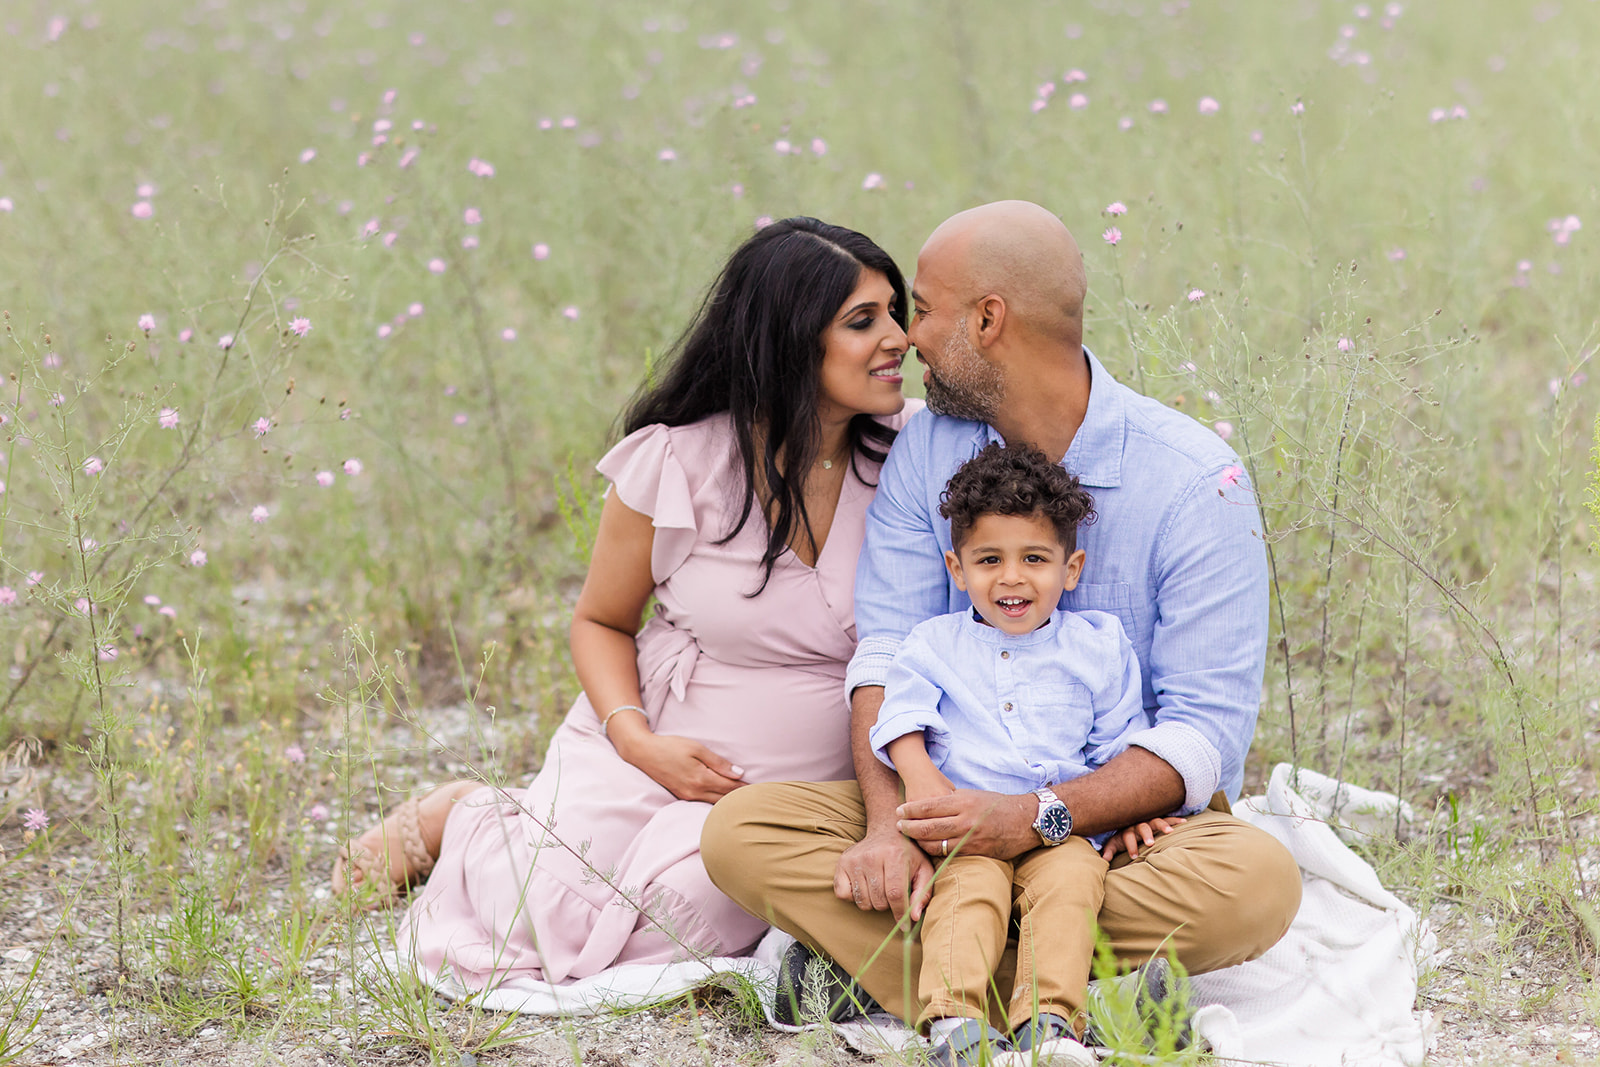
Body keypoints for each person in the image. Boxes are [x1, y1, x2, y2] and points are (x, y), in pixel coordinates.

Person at [701, 201, 1303, 1046]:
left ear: (988, 321)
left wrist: (1041, 816)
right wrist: (888, 827)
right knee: (742, 832)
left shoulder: (1197, 483)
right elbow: (888, 652)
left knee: (1257, 880)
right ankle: (1077, 1007)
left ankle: (904, 979)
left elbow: (1202, 734)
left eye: (926, 310)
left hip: (1103, 833)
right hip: (940, 808)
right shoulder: (931, 447)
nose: (910, 338)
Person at [333, 216, 919, 988]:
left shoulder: (917, 453)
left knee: (683, 922)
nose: (899, 339)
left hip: (810, 788)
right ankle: (469, 814)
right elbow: (602, 620)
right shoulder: (678, 462)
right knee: (540, 921)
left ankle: (520, 815)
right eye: (863, 321)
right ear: (788, 338)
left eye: (896, 313)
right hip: (662, 745)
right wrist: (638, 741)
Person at [872, 441, 1145, 1067]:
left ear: (1070, 568)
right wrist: (919, 778)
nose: (1012, 577)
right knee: (968, 894)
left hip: (1060, 831)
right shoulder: (934, 643)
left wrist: (1128, 812)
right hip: (965, 828)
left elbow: (1118, 742)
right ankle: (954, 1023)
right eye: (989, 559)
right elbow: (900, 714)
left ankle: (1048, 1025)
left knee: (1075, 885)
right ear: (957, 567)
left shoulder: (1097, 647)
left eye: (1035, 558)